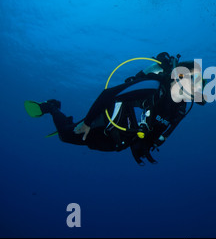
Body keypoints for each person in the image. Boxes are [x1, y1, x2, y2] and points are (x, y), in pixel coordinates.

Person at [24, 52, 206, 165]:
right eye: (192, 79)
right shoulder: (153, 86)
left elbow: (159, 132)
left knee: (70, 136)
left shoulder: (180, 109)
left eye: (198, 84)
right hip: (101, 125)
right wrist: (87, 122)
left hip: (116, 142)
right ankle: (51, 107)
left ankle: (64, 118)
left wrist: (143, 147)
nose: (195, 87)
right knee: (65, 135)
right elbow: (108, 94)